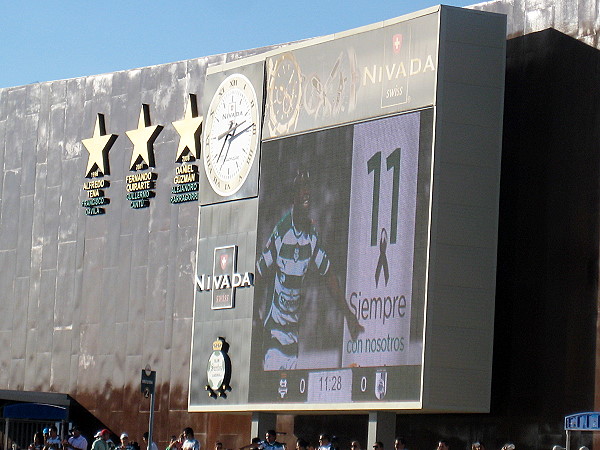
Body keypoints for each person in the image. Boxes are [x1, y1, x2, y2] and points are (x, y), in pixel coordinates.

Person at [256, 170, 364, 370]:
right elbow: (259, 274)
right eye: (300, 188)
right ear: (293, 197)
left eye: (308, 187)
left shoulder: (311, 236)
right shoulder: (281, 233)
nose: (306, 192)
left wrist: (348, 314)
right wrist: (255, 317)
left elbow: (329, 275)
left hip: (292, 333)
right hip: (274, 332)